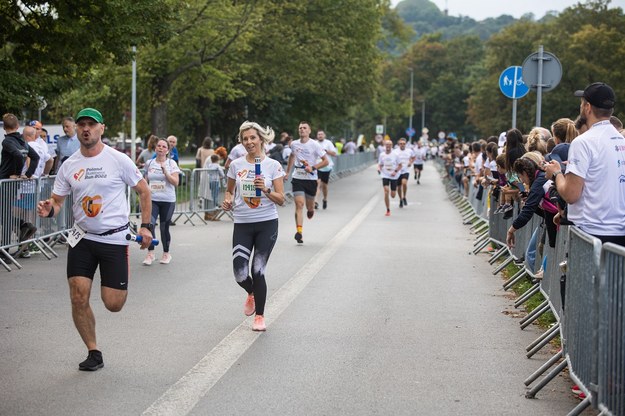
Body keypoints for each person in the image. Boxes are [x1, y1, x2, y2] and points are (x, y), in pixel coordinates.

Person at [36, 108, 153, 371]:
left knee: (113, 304)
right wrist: (49, 209)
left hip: (113, 239)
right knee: (78, 297)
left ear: (102, 128)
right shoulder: (70, 165)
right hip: (82, 239)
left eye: (91, 124)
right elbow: (57, 202)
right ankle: (93, 351)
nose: (85, 129)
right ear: (76, 130)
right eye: (81, 125)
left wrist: (146, 227)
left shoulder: (118, 159)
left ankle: (116, 286)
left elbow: (144, 192)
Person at [221, 121, 285, 332]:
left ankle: (260, 316)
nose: (249, 142)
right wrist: (228, 200)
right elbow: (229, 191)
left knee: (258, 270)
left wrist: (266, 190)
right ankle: (252, 293)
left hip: (267, 223)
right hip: (243, 224)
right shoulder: (235, 165)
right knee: (240, 273)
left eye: (252, 138)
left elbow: (281, 199)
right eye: (245, 139)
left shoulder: (273, 165)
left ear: (262, 139)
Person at [545, 82, 625, 246]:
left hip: (591, 232)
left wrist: (556, 173)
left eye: (581, 103)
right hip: (619, 231)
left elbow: (571, 195)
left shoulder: (584, 142)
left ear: (587, 107)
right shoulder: (621, 140)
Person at [285, 121, 328, 244]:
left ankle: (311, 210)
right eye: (300, 128)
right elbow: (292, 156)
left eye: (304, 128)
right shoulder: (293, 144)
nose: (302, 130)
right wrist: (288, 172)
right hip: (298, 177)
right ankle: (299, 232)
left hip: (311, 178)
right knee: (299, 204)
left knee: (309, 207)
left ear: (309, 131)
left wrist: (313, 168)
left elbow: (326, 161)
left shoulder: (315, 145)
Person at [1, 113, 40, 249]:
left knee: (4, 214)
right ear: (17, 126)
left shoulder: (7, 142)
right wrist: (28, 174)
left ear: (4, 127)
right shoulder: (22, 141)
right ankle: (22, 225)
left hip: (6, 182)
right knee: (5, 214)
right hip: (12, 184)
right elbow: (35, 157)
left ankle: (22, 226)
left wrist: (17, 174)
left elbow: (17, 155)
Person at [13, 126, 53, 257]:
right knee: (28, 219)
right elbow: (50, 160)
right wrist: (44, 174)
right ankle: (25, 248)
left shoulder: (28, 146)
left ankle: (24, 248)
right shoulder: (41, 147)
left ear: (25, 136)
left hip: (25, 186)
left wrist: (28, 174)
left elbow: (29, 160)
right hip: (36, 186)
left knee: (15, 217)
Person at [142, 138, 180, 265]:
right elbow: (146, 181)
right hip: (153, 200)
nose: (161, 148)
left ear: (168, 150)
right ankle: (150, 253)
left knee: (164, 228)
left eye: (164, 147)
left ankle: (166, 253)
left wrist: (166, 172)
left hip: (168, 201)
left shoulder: (171, 163)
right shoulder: (149, 163)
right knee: (150, 224)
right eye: (159, 146)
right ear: (155, 148)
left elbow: (176, 182)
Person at [378, 139, 402, 216]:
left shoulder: (395, 155)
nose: (388, 146)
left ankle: (394, 194)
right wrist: (379, 168)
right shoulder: (382, 155)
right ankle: (388, 209)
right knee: (386, 191)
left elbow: (400, 165)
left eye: (389, 145)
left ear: (391, 146)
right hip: (385, 175)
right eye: (387, 144)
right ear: (385, 146)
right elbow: (380, 164)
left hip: (393, 176)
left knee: (393, 195)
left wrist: (395, 171)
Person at [315, 129, 337, 210]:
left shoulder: (328, 143)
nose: (320, 135)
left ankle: (325, 199)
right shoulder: (315, 143)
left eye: (321, 134)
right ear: (317, 136)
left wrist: (326, 151)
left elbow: (334, 154)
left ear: (324, 135)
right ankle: (316, 202)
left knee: (324, 186)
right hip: (317, 165)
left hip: (327, 166)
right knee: (318, 183)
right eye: (319, 134)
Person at [394, 137, 414, 207]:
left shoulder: (409, 151)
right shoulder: (395, 151)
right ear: (398, 144)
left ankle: (404, 196)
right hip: (398, 171)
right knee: (398, 187)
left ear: (406, 144)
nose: (402, 145)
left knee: (404, 183)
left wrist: (410, 162)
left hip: (406, 170)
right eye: (401, 144)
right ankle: (401, 199)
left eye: (403, 144)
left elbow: (413, 157)